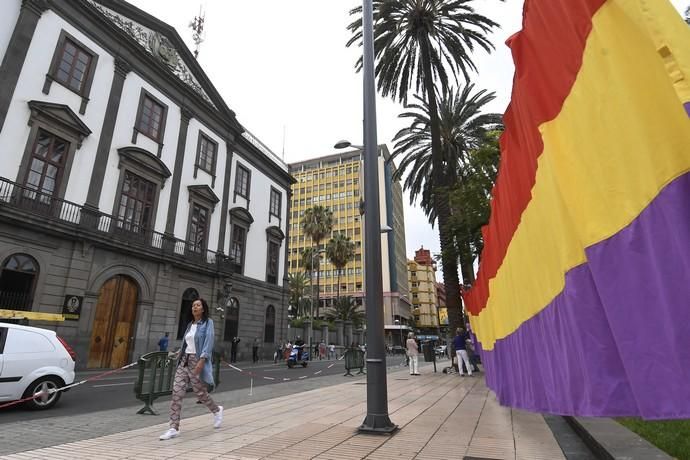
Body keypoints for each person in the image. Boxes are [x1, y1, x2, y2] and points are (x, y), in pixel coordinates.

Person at [159, 298, 222, 440]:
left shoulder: (208, 323)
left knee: (200, 393)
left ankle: (217, 411)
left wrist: (202, 360)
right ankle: (173, 427)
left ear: (203, 309)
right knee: (176, 393)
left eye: (198, 305)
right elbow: (186, 344)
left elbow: (209, 342)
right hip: (184, 361)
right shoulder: (189, 325)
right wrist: (178, 353)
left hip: (197, 360)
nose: (195, 307)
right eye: (193, 305)